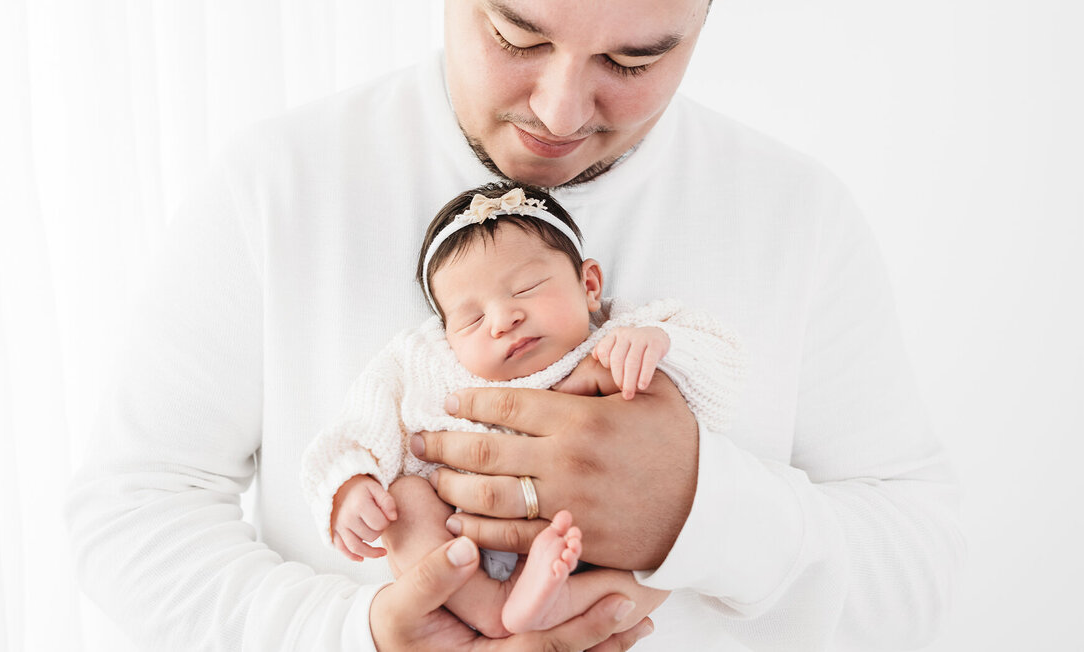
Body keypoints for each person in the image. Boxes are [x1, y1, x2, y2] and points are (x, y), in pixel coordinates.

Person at [65, 1, 963, 650]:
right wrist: (358, 635)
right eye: (517, 34)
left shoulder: (796, 215)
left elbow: (918, 566)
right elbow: (129, 514)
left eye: (635, 60)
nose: (560, 112)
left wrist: (696, 506)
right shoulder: (280, 186)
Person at [302, 182, 743, 637]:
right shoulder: (425, 360)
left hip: (599, 540)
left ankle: (560, 603)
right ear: (444, 332)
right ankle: (491, 606)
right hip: (465, 533)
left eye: (527, 289)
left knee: (670, 556)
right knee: (406, 502)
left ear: (589, 286)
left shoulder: (617, 331)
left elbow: (721, 363)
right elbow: (366, 412)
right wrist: (349, 482)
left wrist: (658, 344)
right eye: (471, 319)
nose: (502, 320)